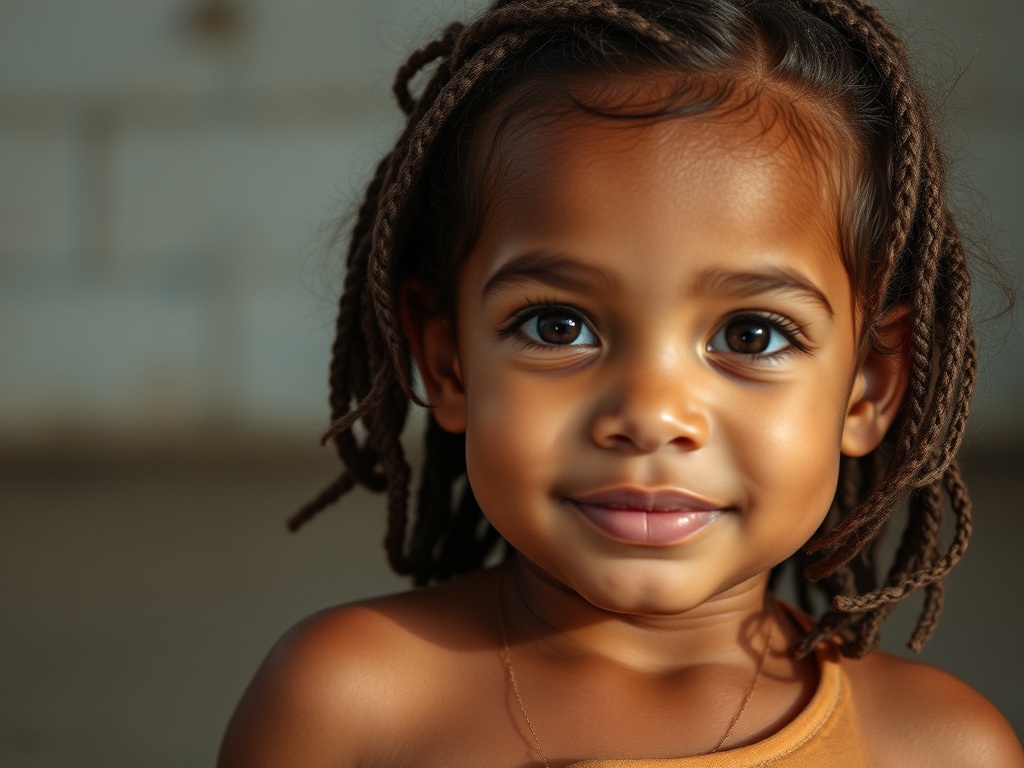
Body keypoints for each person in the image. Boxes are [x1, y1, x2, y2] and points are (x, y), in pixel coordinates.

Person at [218, 1, 1023, 765]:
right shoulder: (345, 703)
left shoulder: (938, 748)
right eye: (557, 326)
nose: (650, 416)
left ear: (868, 388)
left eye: (752, 335)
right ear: (447, 360)